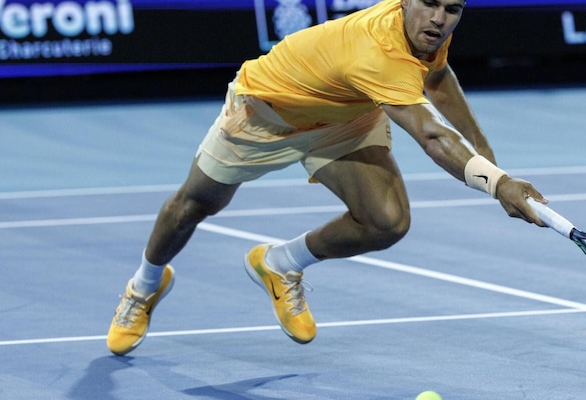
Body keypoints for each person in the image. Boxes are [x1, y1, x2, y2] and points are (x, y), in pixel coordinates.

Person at [106, 0, 548, 356]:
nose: (439, 18)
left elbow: (437, 79)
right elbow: (431, 135)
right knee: (193, 204)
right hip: (266, 113)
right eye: (430, 4)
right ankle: (144, 287)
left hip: (344, 117)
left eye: (452, 9)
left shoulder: (427, 34)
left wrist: (486, 156)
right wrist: (496, 184)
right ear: (404, 2)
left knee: (386, 221)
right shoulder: (379, 51)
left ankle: (279, 264)